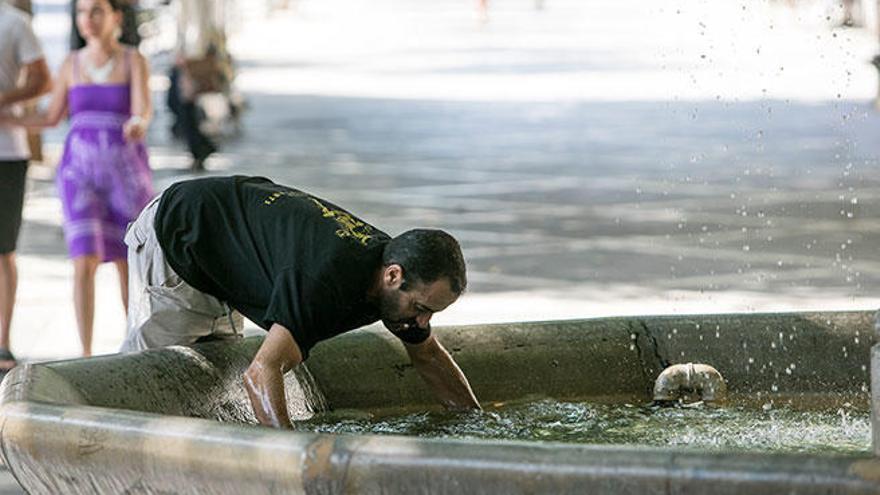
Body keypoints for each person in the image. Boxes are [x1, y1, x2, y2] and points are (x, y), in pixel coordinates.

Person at [120, 175, 481, 428]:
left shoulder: (393, 272)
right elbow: (261, 374)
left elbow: (429, 355)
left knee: (210, 384)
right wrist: (295, 463)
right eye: (421, 309)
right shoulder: (322, 285)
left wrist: (477, 424)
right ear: (393, 276)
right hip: (178, 234)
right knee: (151, 390)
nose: (421, 323)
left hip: (225, 238)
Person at [1, 0, 155, 357]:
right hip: (78, 173)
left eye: (97, 11)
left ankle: (133, 346)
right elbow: (52, 117)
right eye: (82, 12)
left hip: (125, 174)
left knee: (125, 259)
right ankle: (85, 354)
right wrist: (10, 118)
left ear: (116, 17)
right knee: (82, 258)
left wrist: (138, 124)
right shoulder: (71, 64)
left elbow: (142, 109)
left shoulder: (134, 61)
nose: (88, 19)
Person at [0, 0, 51, 370]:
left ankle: (3, 344)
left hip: (6, 152)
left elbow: (43, 79)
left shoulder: (14, 22)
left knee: (3, 250)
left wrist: (3, 100)